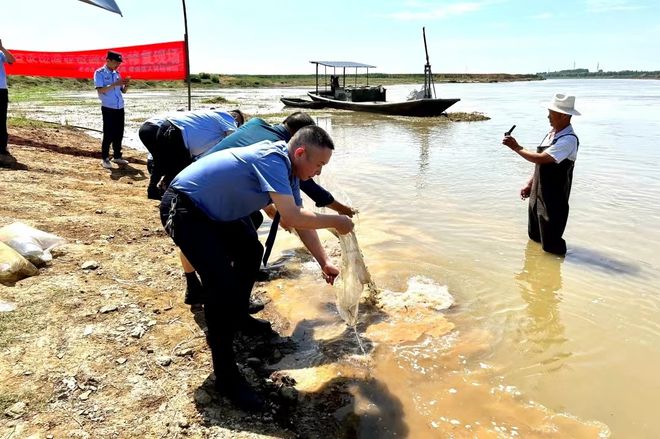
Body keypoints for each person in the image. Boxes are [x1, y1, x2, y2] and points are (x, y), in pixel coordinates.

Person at [159, 125, 354, 410]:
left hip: (214, 211)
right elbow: (292, 215)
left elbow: (294, 221)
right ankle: (226, 376)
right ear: (300, 152)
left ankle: (236, 317)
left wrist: (324, 261)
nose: (319, 172)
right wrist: (336, 220)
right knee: (220, 283)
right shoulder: (273, 158)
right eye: (319, 164)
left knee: (251, 252)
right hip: (185, 206)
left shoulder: (290, 171)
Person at [502, 93, 581, 255]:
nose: (548, 116)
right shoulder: (552, 133)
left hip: (553, 199)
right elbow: (540, 164)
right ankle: (535, 273)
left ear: (564, 116)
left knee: (552, 245)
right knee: (534, 236)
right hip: (537, 195)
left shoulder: (568, 140)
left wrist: (516, 147)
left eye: (551, 113)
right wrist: (530, 184)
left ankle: (553, 275)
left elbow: (541, 158)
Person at [139, 108, 245, 200]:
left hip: (168, 127)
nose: (237, 125)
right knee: (181, 166)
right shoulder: (227, 117)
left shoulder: (212, 121)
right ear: (235, 117)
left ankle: (153, 190)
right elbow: (235, 139)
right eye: (238, 124)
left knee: (162, 161)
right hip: (176, 131)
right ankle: (168, 192)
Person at [94, 51, 130, 170]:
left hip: (119, 106)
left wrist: (126, 85)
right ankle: (104, 158)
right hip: (108, 107)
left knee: (119, 132)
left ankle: (117, 156)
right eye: (116, 62)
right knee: (108, 133)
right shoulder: (99, 73)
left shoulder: (117, 73)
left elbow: (122, 91)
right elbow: (101, 90)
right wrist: (115, 84)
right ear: (108, 60)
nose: (117, 65)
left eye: (119, 63)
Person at [0, 39, 16, 167]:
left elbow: (12, 60)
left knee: (1, 119)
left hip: (1, 90)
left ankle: (2, 148)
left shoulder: (0, 54)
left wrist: (2, 48)